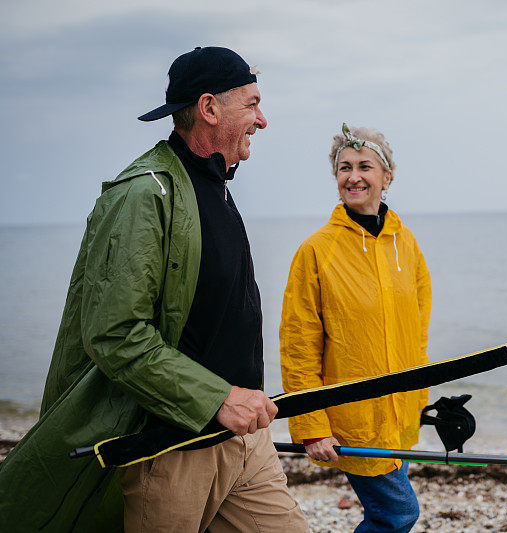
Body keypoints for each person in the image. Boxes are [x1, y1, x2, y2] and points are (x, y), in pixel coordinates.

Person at [0, 47, 308, 532]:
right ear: (209, 108)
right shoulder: (143, 193)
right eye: (251, 105)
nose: (262, 120)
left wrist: (238, 403)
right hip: (171, 449)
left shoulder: (216, 185)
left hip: (247, 440)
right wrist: (217, 399)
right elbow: (115, 334)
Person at [280, 123, 432, 532]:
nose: (354, 176)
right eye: (344, 167)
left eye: (365, 166)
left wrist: (421, 401)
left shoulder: (407, 244)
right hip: (351, 420)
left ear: (387, 176)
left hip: (398, 414)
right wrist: (311, 426)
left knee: (388, 513)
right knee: (397, 513)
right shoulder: (316, 251)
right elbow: (298, 346)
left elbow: (416, 332)